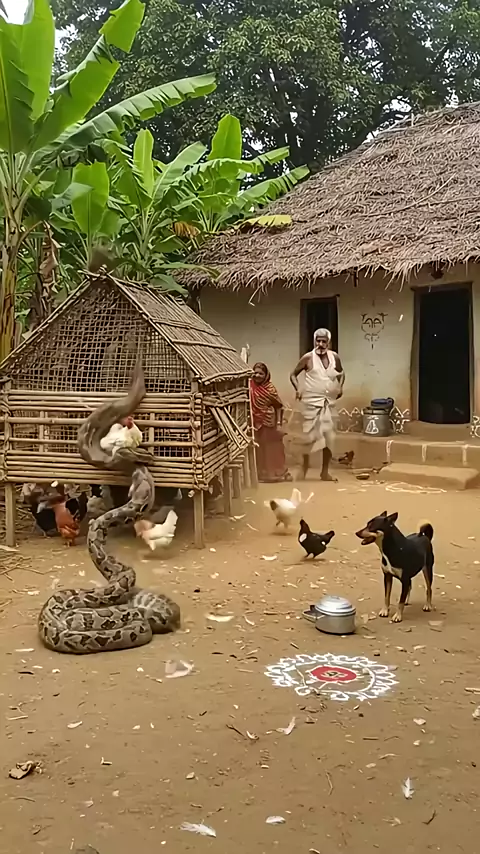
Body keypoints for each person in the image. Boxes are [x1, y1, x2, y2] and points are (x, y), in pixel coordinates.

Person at [289, 328, 345, 481]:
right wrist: (298, 388)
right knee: (308, 437)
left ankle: (325, 472)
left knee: (329, 438)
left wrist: (340, 387)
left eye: (323, 341)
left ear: (328, 343)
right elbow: (293, 375)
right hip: (311, 403)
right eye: (318, 341)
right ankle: (304, 467)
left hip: (329, 404)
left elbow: (341, 373)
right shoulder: (308, 358)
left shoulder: (334, 357)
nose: (320, 344)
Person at [250, 362, 292, 483]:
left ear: (266, 375)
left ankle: (276, 473)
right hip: (253, 422)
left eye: (261, 374)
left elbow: (279, 406)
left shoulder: (270, 389)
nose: (257, 376)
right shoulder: (249, 387)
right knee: (258, 449)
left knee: (272, 449)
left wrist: (278, 424)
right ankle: (261, 474)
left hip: (268, 422)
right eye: (255, 373)